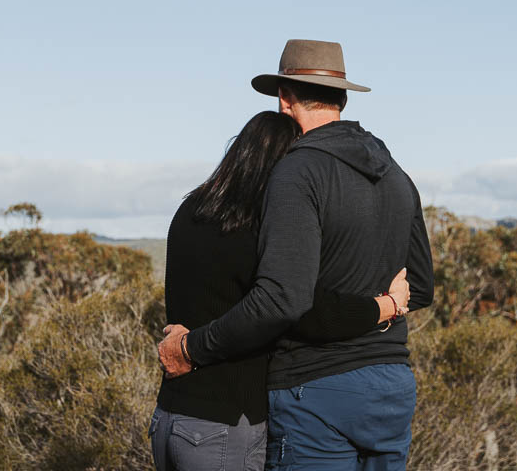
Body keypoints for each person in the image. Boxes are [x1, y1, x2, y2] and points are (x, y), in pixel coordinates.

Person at [159, 39, 433, 471]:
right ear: (342, 97)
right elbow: (421, 284)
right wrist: (391, 304)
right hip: (392, 386)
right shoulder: (398, 175)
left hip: (315, 390)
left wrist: (192, 347)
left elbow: (284, 300)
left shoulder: (296, 170)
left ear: (284, 98)